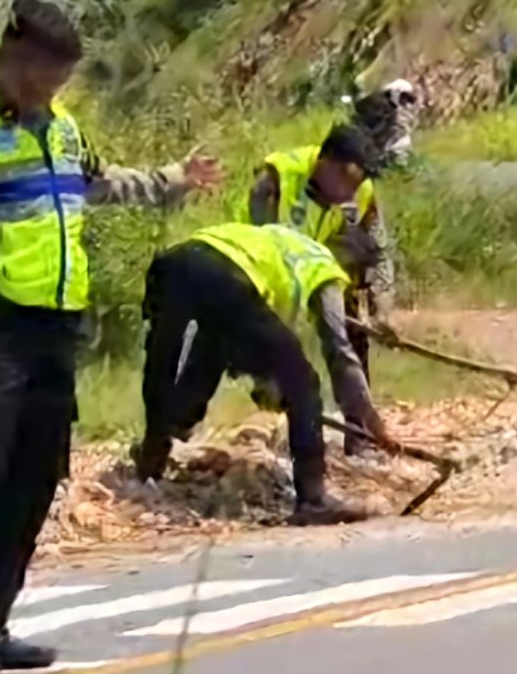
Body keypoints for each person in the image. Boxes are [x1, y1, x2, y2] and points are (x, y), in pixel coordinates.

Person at [0, 0, 220, 674]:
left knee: (36, 478)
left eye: (62, 75)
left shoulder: (65, 130)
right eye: (44, 71)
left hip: (54, 328)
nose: (52, 86)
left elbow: (101, 185)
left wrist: (173, 181)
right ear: (11, 60)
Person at [132, 187, 391, 527]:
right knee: (303, 382)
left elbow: (241, 340)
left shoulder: (280, 239)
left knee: (172, 357)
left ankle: (154, 454)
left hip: (177, 262)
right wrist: (279, 387)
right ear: (348, 260)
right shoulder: (325, 267)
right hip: (227, 278)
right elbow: (331, 342)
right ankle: (312, 498)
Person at [242, 124, 400, 456]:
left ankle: (360, 434)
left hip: (320, 261)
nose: (350, 193)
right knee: (275, 351)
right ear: (326, 163)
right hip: (267, 263)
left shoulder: (360, 190)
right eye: (347, 181)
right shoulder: (276, 178)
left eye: (358, 184)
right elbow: (258, 247)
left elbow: (378, 249)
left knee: (346, 334)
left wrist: (382, 307)